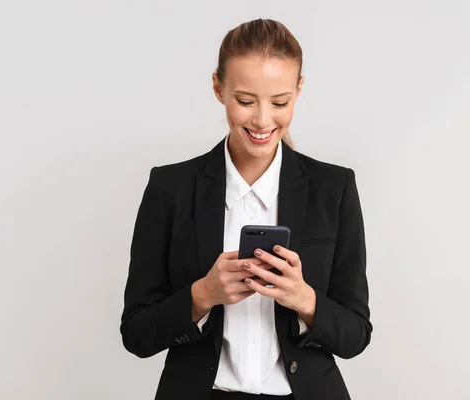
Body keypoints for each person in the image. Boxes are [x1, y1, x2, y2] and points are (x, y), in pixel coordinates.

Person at [120, 18, 372, 400]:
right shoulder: (169, 188)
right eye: (245, 100)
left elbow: (356, 335)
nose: (262, 120)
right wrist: (203, 294)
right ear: (218, 88)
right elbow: (137, 334)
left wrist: (303, 299)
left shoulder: (333, 188)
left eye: (280, 102)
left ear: (299, 90)